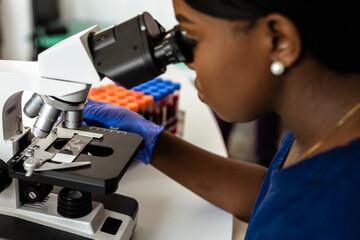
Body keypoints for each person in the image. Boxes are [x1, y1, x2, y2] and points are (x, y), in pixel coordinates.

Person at [84, 0, 360, 239]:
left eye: (191, 36)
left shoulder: (327, 217)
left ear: (279, 41)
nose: (187, 62)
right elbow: (272, 194)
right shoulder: (328, 125)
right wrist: (151, 141)